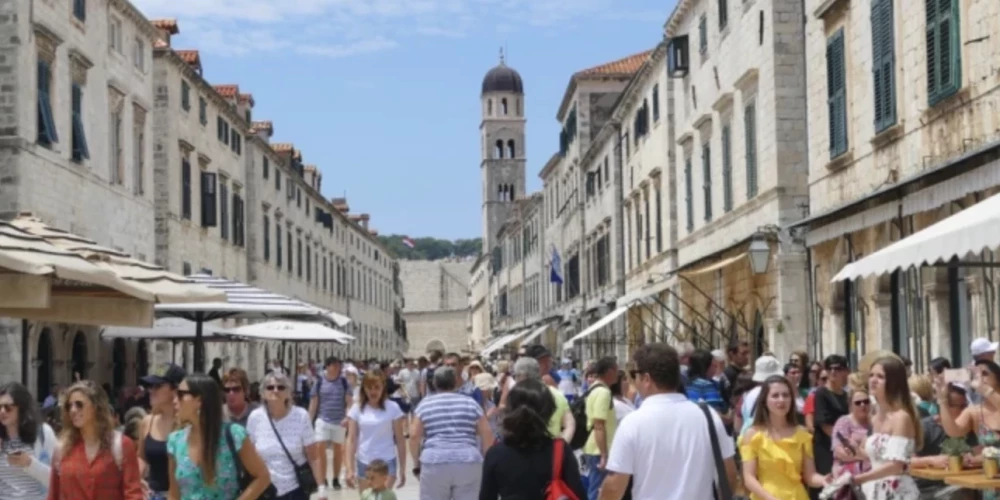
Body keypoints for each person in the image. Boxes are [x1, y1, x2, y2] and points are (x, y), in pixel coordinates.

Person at [599, 343, 737, 500]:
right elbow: (730, 474)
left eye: (634, 374)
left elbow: (615, 485)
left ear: (646, 379)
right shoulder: (708, 416)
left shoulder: (632, 424)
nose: (633, 381)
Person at [166, 373, 271, 499]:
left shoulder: (234, 435)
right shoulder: (175, 441)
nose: (174, 400)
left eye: (180, 394)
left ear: (199, 400)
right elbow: (173, 494)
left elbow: (263, 477)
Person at [479, 379, 585, 499]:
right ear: (548, 411)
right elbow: (578, 494)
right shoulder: (559, 450)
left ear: (510, 411)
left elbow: (486, 496)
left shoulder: (495, 454)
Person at [47, 381, 142, 500]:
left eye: (79, 404)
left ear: (96, 406)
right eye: (69, 406)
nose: (73, 410)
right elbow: (53, 495)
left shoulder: (121, 445)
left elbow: (133, 494)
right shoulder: (62, 448)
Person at [409, 366, 494, 500]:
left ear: (435, 383)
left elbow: (414, 436)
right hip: (468, 461)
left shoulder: (425, 404)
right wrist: (485, 459)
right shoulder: (470, 403)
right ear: (455, 382)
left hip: (434, 461)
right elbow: (487, 433)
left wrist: (416, 464)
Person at [740, 375, 827, 500]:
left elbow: (810, 476)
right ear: (764, 400)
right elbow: (749, 478)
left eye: (786, 395)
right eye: (775, 395)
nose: (781, 400)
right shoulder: (753, 434)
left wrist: (823, 480)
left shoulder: (802, 434)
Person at [847, 356, 921, 499]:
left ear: (893, 383)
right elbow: (877, 455)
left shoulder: (901, 417)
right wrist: (855, 452)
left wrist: (858, 478)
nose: (873, 380)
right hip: (874, 491)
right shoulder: (873, 417)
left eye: (880, 376)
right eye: (871, 375)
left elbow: (896, 465)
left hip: (896, 492)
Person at [246, 372, 322, 500]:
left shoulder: (301, 416)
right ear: (263, 393)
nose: (275, 390)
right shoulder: (255, 417)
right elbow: (249, 455)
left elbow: (313, 457)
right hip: (265, 490)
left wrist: (322, 488)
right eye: (270, 387)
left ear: (288, 393)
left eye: (281, 387)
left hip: (295, 490)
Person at [344, 369, 407, 493]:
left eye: (377, 387)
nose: (373, 391)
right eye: (369, 387)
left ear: (383, 387)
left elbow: (400, 440)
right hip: (364, 462)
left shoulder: (393, 408)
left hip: (387, 462)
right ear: (364, 389)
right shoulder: (356, 409)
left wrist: (402, 469)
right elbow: (351, 440)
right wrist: (349, 469)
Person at [0, 382, 56, 500]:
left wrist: (30, 464)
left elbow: (57, 479)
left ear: (21, 407)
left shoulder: (43, 433)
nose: (2, 412)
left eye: (8, 407)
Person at [137, 363, 185, 500]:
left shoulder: (188, 424)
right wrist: (136, 479)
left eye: (157, 386)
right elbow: (141, 457)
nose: (151, 390)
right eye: (150, 386)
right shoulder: (147, 422)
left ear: (175, 390)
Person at [308, 356, 352, 490]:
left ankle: (335, 478)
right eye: (335, 365)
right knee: (319, 446)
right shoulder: (319, 381)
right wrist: (308, 421)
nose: (338, 368)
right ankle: (323, 478)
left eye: (339, 365)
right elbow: (314, 402)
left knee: (338, 449)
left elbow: (349, 402)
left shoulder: (344, 382)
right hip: (322, 419)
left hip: (339, 420)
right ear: (327, 366)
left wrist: (347, 417)